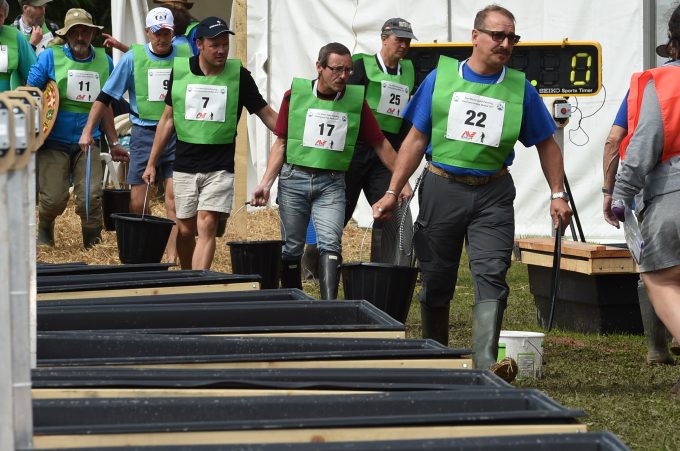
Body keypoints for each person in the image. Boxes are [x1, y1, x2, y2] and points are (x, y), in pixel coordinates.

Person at [372, 5, 572, 382]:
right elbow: (416, 139)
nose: (505, 43)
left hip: (493, 193)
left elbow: (546, 143)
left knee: (493, 273)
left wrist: (557, 194)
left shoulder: (520, 88)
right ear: (475, 36)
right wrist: (393, 190)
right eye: (497, 35)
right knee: (436, 279)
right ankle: (437, 361)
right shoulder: (439, 78)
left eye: (512, 37)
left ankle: (485, 368)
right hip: (441, 187)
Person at [250, 42, 411, 300]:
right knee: (291, 248)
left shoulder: (355, 101)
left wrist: (400, 179)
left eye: (347, 70)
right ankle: (294, 300)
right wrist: (266, 183)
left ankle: (329, 304)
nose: (343, 76)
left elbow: (380, 143)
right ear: (319, 67)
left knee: (331, 243)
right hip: (294, 178)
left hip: (332, 183)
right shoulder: (296, 96)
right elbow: (281, 142)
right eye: (336, 69)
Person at [142, 16, 277, 270]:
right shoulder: (180, 73)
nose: (222, 50)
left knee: (207, 223)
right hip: (185, 163)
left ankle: (198, 283)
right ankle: (187, 274)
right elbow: (167, 120)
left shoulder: (239, 76)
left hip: (220, 165)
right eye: (215, 44)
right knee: (184, 228)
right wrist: (151, 163)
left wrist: (293, 134)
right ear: (199, 44)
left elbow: (266, 113)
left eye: (225, 44)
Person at [79, 7, 186, 264]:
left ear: (173, 33)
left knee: (174, 201)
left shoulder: (186, 54)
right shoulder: (132, 58)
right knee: (138, 202)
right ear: (148, 32)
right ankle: (149, 248)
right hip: (144, 133)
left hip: (177, 133)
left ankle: (171, 259)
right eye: (156, 32)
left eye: (167, 33)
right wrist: (87, 130)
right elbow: (105, 96)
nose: (161, 38)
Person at [611, 4, 680, 395]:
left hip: (673, 193)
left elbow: (641, 146)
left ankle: (661, 344)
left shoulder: (661, 83)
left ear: (672, 41)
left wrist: (619, 194)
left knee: (660, 278)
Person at [28, 8, 117, 248]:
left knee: (91, 196)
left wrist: (115, 141)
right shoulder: (49, 57)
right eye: (75, 32)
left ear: (92, 34)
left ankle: (93, 240)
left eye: (85, 32)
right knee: (54, 199)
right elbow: (31, 94)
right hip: (53, 141)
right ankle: (46, 225)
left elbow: (106, 106)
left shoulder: (104, 61)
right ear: (67, 35)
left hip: (89, 141)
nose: (80, 37)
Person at [345, 17, 417, 266]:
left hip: (387, 153)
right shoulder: (360, 66)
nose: (404, 45)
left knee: (391, 210)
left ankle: (388, 264)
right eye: (399, 40)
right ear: (384, 39)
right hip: (356, 150)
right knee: (339, 210)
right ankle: (313, 259)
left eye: (407, 41)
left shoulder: (409, 70)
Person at [103, 0, 199, 56]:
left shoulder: (183, 41)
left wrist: (119, 45)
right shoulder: (179, 41)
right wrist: (119, 45)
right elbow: (146, 53)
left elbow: (146, 55)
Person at [0, 0, 36, 91]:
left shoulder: (16, 36)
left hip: (8, 103)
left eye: (0, 16)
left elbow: (34, 73)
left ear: (5, 17)